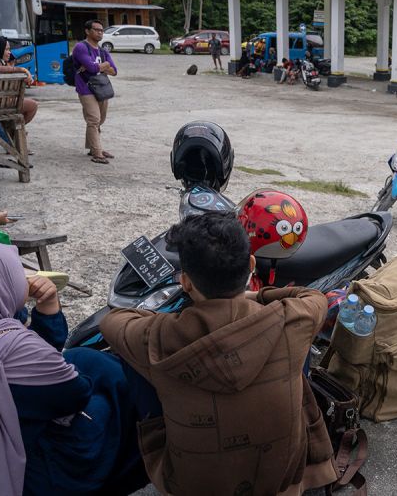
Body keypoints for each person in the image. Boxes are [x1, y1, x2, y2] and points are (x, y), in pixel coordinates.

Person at [99, 210, 337, 495]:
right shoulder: (292, 319)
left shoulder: (159, 335)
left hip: (191, 485)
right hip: (281, 481)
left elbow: (111, 321)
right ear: (251, 264)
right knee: (295, 363)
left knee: (131, 362)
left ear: (185, 282)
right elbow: (312, 296)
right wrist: (256, 296)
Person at [0, 239, 145, 496]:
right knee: (117, 397)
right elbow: (74, 395)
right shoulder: (11, 346)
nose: (25, 278)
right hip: (29, 469)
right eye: (13, 273)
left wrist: (47, 308)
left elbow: (41, 359)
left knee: (84, 359)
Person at [72, 19, 117, 164]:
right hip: (85, 88)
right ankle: (97, 153)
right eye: (96, 30)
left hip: (101, 89)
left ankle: (93, 147)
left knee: (99, 120)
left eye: (101, 30)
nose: (100, 32)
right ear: (87, 31)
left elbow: (114, 71)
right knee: (94, 120)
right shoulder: (81, 47)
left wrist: (99, 66)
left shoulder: (103, 51)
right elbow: (92, 69)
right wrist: (104, 65)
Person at [0, 35, 37, 125]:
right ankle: (13, 130)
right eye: (6, 49)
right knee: (33, 105)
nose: (9, 52)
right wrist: (21, 69)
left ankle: (11, 130)